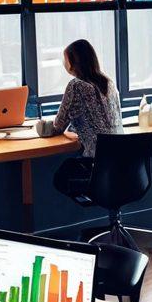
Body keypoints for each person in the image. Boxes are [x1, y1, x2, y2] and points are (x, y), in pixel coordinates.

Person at [50, 39, 123, 197]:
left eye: (65, 59)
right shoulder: (109, 83)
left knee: (60, 177)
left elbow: (58, 126)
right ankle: (114, 219)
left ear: (72, 62)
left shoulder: (76, 86)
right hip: (121, 163)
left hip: (95, 167)